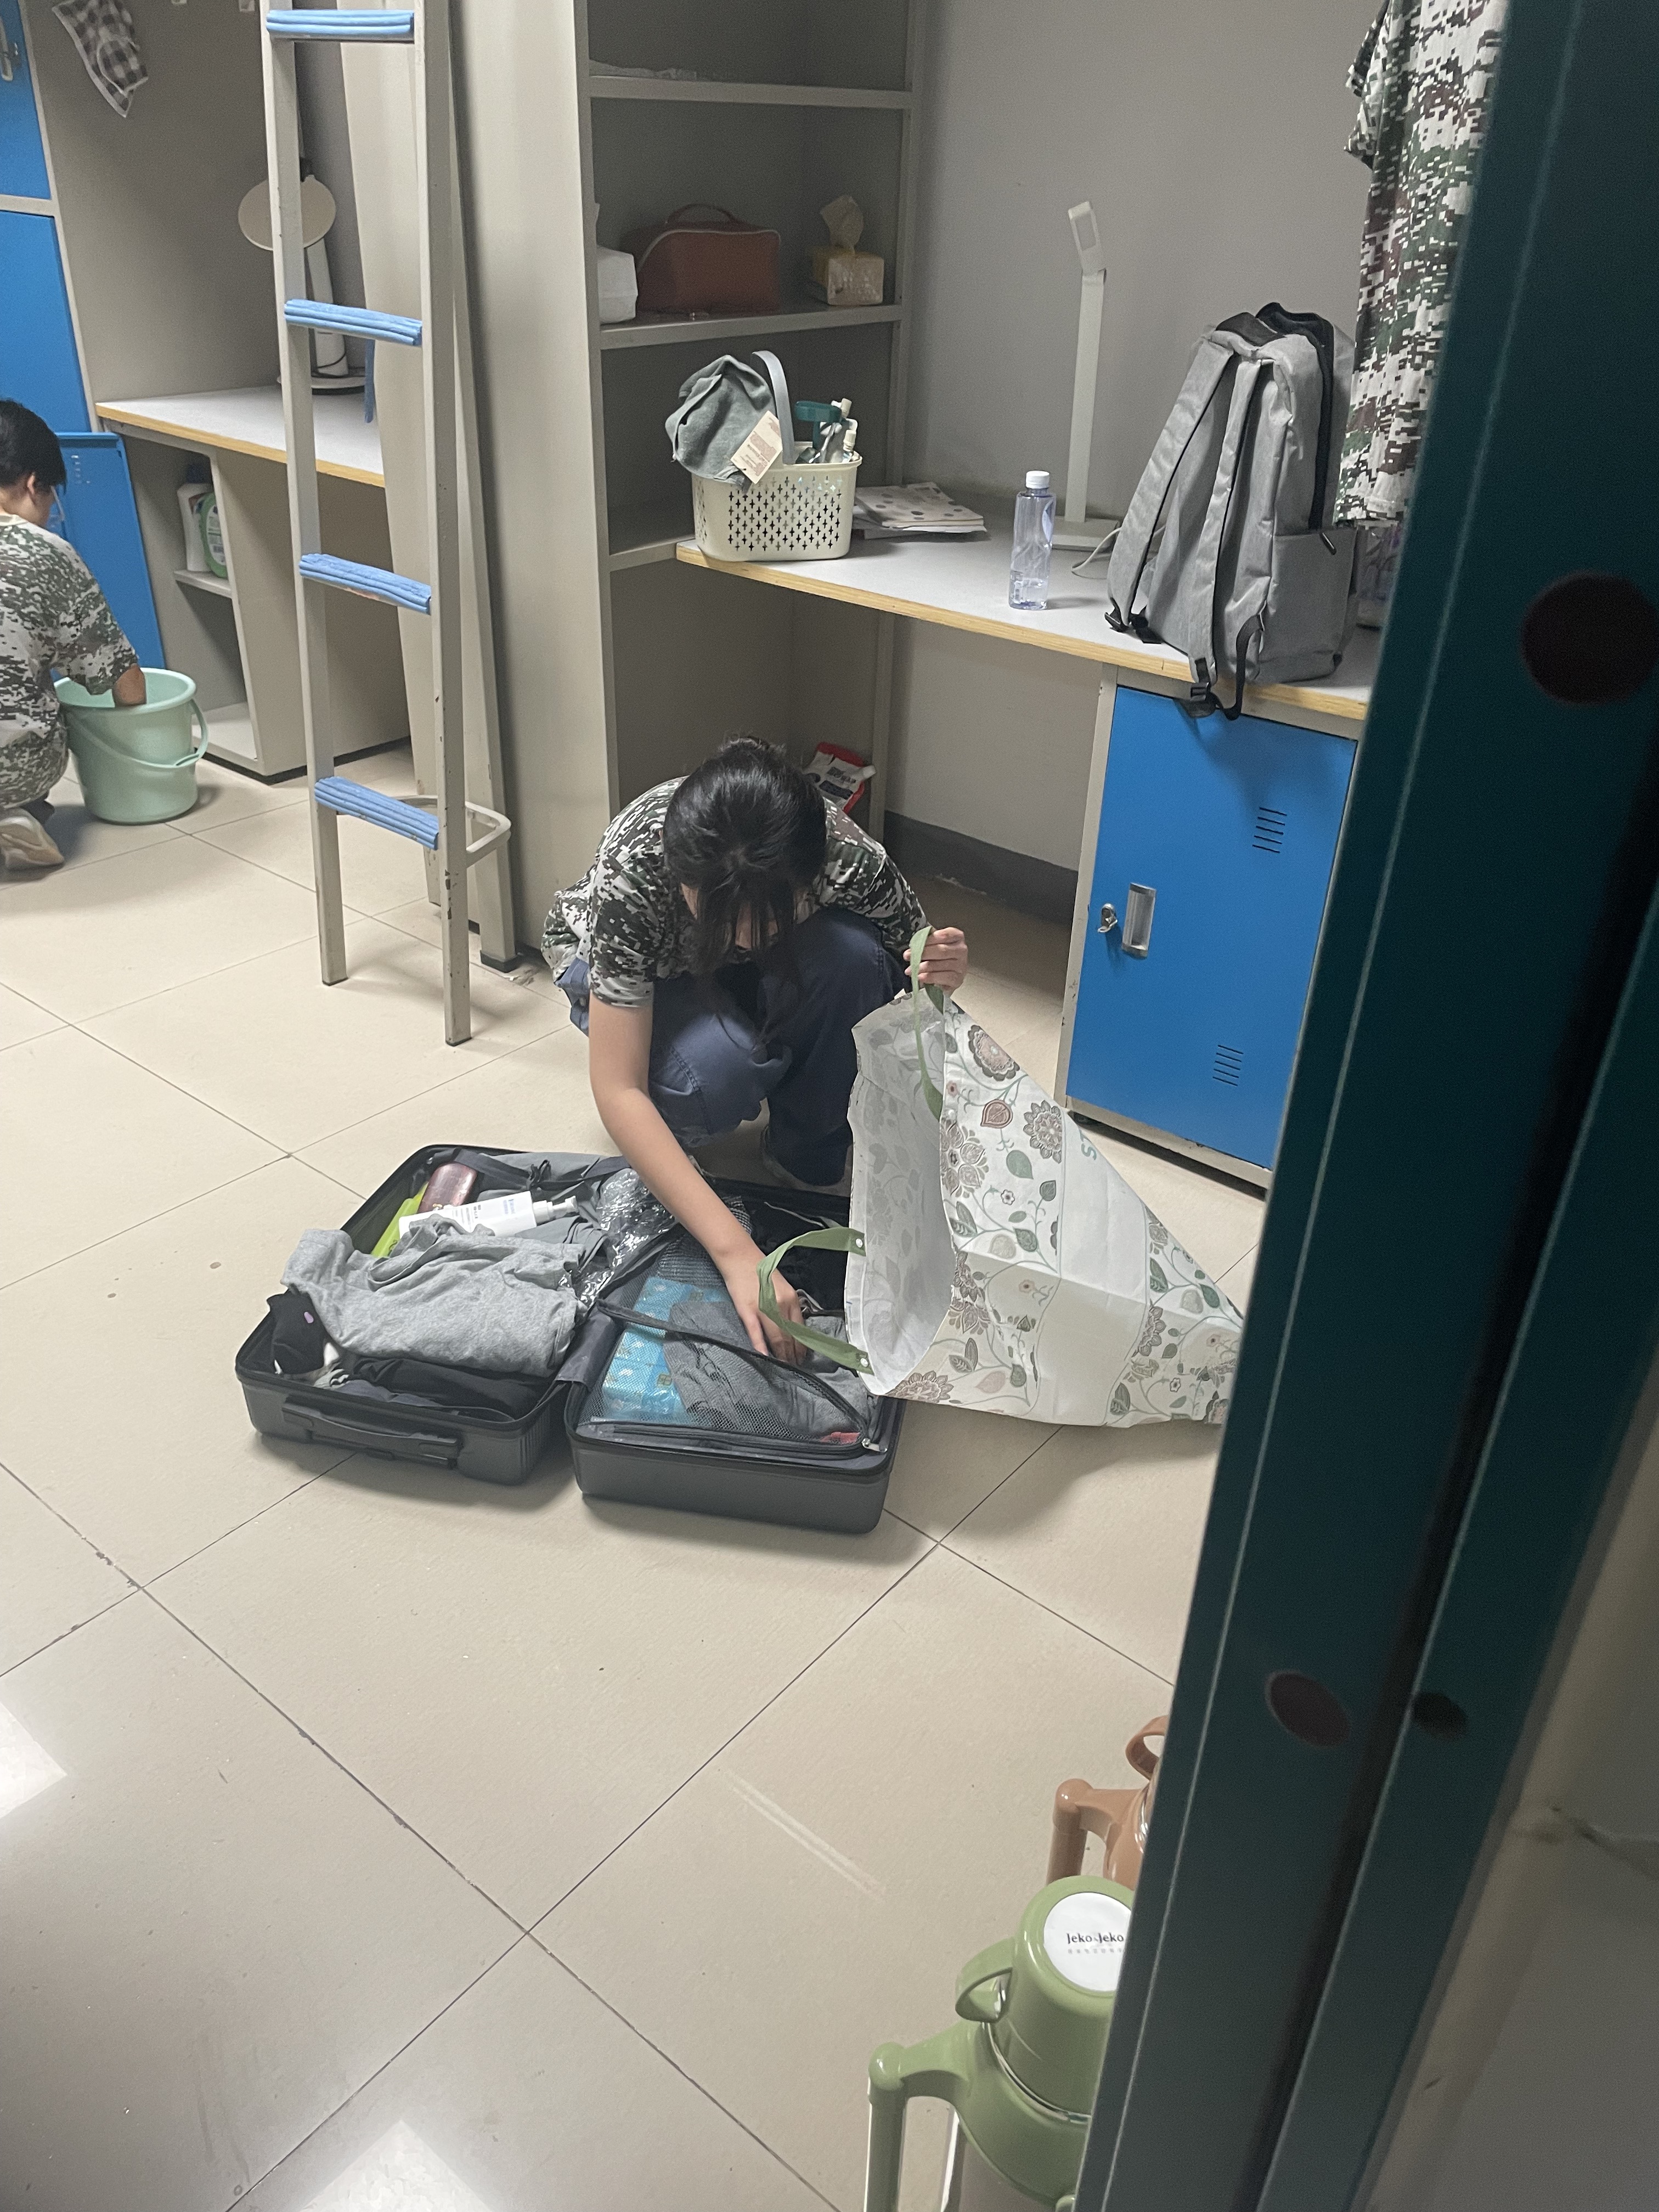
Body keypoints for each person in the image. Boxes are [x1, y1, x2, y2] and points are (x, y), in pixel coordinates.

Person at [544, 737, 968, 1362]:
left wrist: (943, 973)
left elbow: (912, 990)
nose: (742, 936)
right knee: (713, 1077)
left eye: (768, 916)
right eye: (720, 915)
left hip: (746, 972)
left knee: (856, 962)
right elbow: (618, 1087)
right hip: (641, 971)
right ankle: (724, 1068)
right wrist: (735, 1252)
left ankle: (801, 1151)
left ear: (811, 875)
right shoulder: (638, 871)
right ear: (681, 880)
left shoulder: (849, 860)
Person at [0, 398, 146, 871]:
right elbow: (124, 680)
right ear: (33, 485)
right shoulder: (43, 552)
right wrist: (138, 752)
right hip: (11, 770)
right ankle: (16, 811)